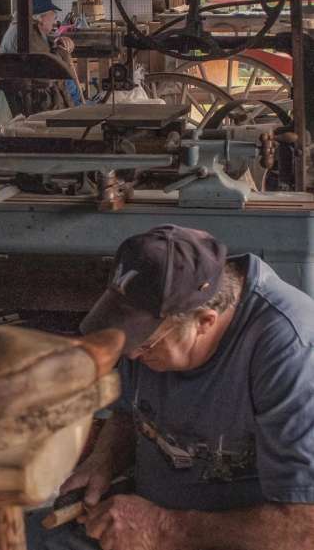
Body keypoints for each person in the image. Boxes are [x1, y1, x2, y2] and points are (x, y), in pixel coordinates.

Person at [27, 224, 314, 550]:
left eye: (146, 344)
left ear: (205, 321)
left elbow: (304, 530)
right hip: (147, 524)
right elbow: (130, 412)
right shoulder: (150, 326)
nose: (132, 354)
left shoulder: (292, 350)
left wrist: (164, 528)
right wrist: (103, 459)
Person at [0, 0, 82, 116]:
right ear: (41, 18)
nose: (55, 22)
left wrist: (56, 41)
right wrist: (61, 52)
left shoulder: (21, 28)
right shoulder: (29, 34)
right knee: (71, 85)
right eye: (53, 16)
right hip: (38, 100)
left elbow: (41, 50)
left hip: (31, 94)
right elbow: (50, 67)